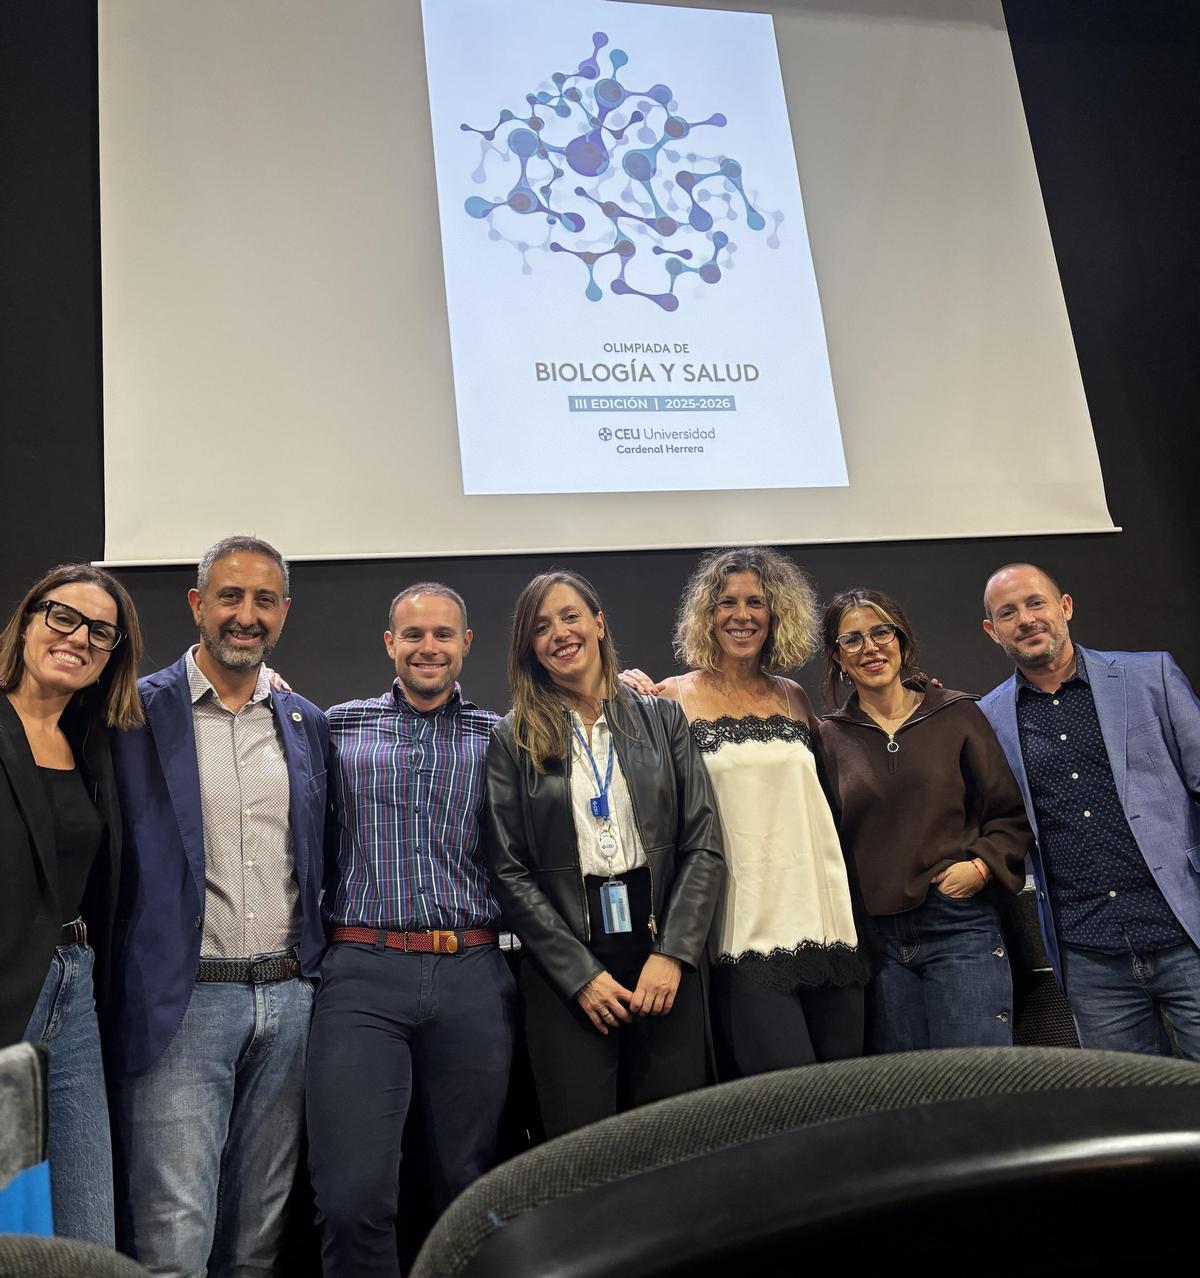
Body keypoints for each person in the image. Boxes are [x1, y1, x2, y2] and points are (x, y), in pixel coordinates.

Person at [106, 536, 329, 1278]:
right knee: (174, 1241)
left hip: (290, 1001)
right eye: (230, 596)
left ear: (285, 614)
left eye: (264, 600)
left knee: (256, 1242)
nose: (246, 614)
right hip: (185, 1003)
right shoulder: (133, 713)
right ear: (198, 605)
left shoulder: (304, 723)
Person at [307, 583, 516, 1278]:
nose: (429, 647)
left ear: (466, 645)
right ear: (390, 643)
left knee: (470, 1188)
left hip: (472, 975)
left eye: (444, 635)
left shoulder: (502, 736)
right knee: (351, 1194)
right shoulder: (334, 726)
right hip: (363, 973)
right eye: (414, 635)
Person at [484, 570, 724, 1137]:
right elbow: (509, 871)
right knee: (582, 1157)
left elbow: (704, 843)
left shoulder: (663, 719)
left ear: (599, 623)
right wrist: (579, 976)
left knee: (670, 1148)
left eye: (570, 617)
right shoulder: (511, 738)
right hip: (567, 970)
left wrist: (674, 954)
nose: (559, 633)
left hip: (662, 958)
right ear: (529, 648)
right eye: (541, 627)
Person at [626, 547, 868, 1076]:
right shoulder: (672, 697)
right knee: (786, 1104)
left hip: (826, 920)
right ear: (706, 615)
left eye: (756, 601)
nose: (742, 615)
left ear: (775, 612)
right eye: (727, 602)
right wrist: (614, 690)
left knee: (848, 1095)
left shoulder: (793, 697)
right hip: (742, 928)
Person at [979, 562, 1200, 1058]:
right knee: (1131, 1113)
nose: (1027, 620)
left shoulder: (1151, 676)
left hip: (1185, 932)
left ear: (1065, 607)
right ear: (993, 632)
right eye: (1008, 613)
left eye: (1036, 603)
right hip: (1089, 956)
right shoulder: (989, 718)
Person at [818, 588, 1030, 1052]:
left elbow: (1010, 815)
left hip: (958, 927)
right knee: (908, 1103)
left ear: (902, 640)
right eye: (851, 640)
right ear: (837, 657)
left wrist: (980, 867)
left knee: (976, 1091)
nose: (870, 648)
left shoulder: (957, 714)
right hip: (876, 945)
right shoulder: (827, 737)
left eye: (881, 633)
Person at [0, 564, 143, 1245]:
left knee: (89, 1229)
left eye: (101, 632)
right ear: (28, 621)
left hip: (75, 991)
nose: (79, 638)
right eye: (63, 617)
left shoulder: (95, 740)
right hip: (6, 992)